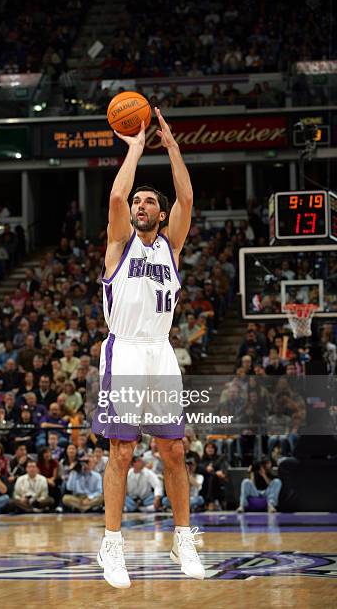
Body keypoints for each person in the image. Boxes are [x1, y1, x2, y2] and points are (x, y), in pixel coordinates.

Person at [91, 108, 204, 588]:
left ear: (160, 213)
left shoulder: (170, 248)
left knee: (174, 451)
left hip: (161, 352)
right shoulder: (119, 244)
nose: (139, 204)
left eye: (147, 201)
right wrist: (136, 147)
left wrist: (172, 146)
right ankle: (111, 546)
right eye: (137, 201)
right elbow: (116, 193)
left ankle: (183, 539)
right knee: (121, 451)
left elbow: (187, 196)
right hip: (126, 349)